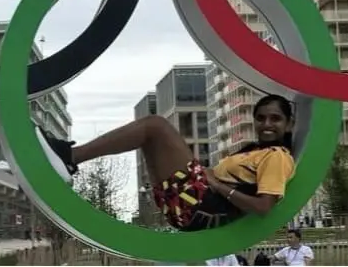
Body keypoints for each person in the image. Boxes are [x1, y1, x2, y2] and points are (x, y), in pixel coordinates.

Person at [41, 94, 298, 231]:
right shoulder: (254, 151)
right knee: (150, 136)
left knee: (155, 127)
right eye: (261, 118)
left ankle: (70, 158)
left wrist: (217, 185)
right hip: (193, 203)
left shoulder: (276, 157)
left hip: (200, 207)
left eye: (275, 119)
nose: (266, 124)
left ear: (288, 124)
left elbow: (264, 206)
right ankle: (61, 162)